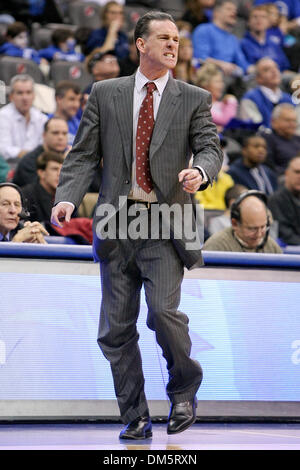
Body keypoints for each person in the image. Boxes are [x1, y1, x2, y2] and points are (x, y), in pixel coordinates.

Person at [51, 11, 223, 439]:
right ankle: (136, 415)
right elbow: (84, 154)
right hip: (115, 223)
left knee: (164, 314)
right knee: (115, 331)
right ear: (140, 44)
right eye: (163, 38)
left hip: (166, 225)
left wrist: (200, 172)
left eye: (177, 40)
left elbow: (209, 148)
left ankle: (184, 390)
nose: (172, 45)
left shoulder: (193, 97)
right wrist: (68, 197)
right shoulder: (105, 93)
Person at [203, 190, 282, 252]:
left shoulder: (272, 247)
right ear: (235, 224)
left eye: (263, 227)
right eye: (252, 229)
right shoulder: (216, 246)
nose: (259, 234)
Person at [192, 0, 251, 76]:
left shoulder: (233, 38)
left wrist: (260, 69)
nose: (234, 13)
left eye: (235, 10)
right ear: (216, 13)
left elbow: (244, 65)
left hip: (228, 79)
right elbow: (199, 58)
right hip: (207, 76)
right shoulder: (203, 30)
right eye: (229, 9)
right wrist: (222, 65)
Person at [0, 75, 48, 162]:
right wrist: (31, 155)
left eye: (28, 92)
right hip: (10, 166)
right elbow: (3, 150)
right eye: (20, 93)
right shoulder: (2, 116)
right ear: (11, 97)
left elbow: (45, 146)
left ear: (34, 96)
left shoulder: (42, 118)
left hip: (36, 165)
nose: (25, 98)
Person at [13, 117, 69, 187]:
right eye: (55, 133)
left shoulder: (68, 156)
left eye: (64, 133)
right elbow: (38, 191)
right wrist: (66, 164)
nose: (61, 137)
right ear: (44, 135)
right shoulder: (29, 161)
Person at [239, 58, 294, 128]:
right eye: (266, 69)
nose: (274, 71)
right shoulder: (250, 98)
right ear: (258, 78)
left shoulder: (288, 98)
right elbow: (254, 127)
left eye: (276, 67)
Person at [240, 6, 290, 72]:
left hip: (280, 78)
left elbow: (285, 67)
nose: (259, 20)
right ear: (248, 22)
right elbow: (246, 68)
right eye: (255, 17)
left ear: (268, 23)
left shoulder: (274, 44)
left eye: (263, 17)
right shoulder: (242, 44)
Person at [22, 151, 64, 223]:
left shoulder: (66, 197)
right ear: (41, 173)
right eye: (55, 169)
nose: (60, 174)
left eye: (63, 170)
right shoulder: (26, 196)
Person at [195, 62, 238, 131]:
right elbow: (225, 120)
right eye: (217, 82)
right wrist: (232, 101)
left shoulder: (222, 104)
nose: (222, 85)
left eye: (222, 82)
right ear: (205, 85)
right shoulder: (201, 106)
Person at [260, 103, 300, 175]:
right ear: (274, 122)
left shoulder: (298, 139)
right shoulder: (267, 139)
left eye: (294, 121)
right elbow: (268, 168)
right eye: (288, 120)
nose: (292, 124)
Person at [268, 155, 300, 245]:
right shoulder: (275, 200)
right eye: (297, 172)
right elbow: (285, 234)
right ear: (287, 174)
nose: (299, 176)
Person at [50, 81, 82, 145]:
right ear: (58, 99)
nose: (77, 105)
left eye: (79, 100)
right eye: (72, 99)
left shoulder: (81, 126)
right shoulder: (44, 122)